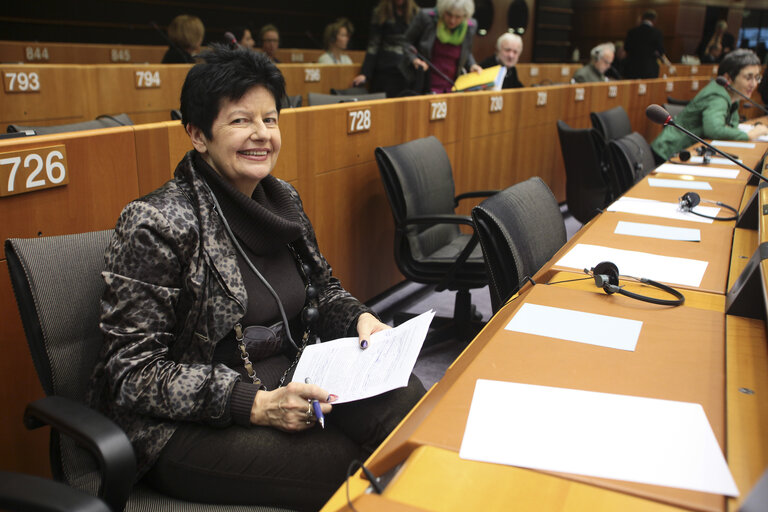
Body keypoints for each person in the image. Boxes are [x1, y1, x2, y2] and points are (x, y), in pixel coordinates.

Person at [87, 44, 425, 511]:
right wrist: (255, 404)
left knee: (407, 400)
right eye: (241, 120)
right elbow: (132, 373)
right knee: (351, 465)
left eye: (270, 119)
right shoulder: (156, 223)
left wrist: (360, 321)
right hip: (188, 426)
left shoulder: (282, 199)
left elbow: (323, 291)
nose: (261, 134)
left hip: (293, 377)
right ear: (197, 134)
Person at [650, 49, 768, 164]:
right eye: (748, 77)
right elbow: (714, 129)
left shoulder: (732, 97)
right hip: (667, 153)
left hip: (686, 152)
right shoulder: (717, 96)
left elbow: (732, 125)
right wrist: (749, 135)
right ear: (728, 78)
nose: (754, 84)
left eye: (757, 78)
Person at [404, 0, 483, 94]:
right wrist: (414, 59)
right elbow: (406, 42)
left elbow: (467, 52)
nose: (452, 20)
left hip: (453, 86)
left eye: (458, 17)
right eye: (449, 14)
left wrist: (472, 65)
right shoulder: (426, 17)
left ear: (465, 16)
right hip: (425, 84)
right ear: (442, 10)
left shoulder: (470, 26)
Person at [353, 0, 420, 97]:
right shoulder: (380, 12)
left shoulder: (416, 12)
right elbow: (373, 45)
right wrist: (365, 73)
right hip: (385, 69)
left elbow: (418, 43)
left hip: (407, 71)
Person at [623, 10, 670, 79]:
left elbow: (626, 48)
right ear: (654, 20)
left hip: (632, 67)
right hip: (649, 68)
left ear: (642, 19)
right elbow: (661, 50)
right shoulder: (657, 33)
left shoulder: (632, 32)